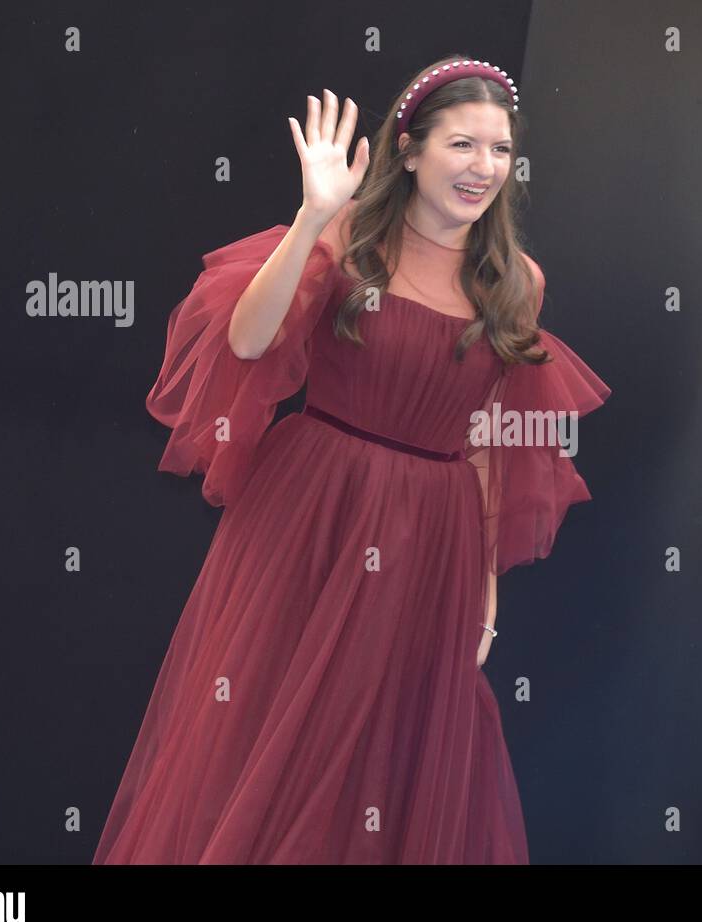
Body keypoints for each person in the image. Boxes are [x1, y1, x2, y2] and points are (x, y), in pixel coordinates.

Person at [94, 56, 611, 864]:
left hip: (431, 544)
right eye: (463, 145)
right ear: (409, 150)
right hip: (311, 517)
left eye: (501, 150)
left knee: (383, 760)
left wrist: (485, 592)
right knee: (263, 731)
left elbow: (486, 446)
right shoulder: (347, 239)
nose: (485, 168)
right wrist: (309, 221)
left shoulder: (515, 281)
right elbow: (247, 340)